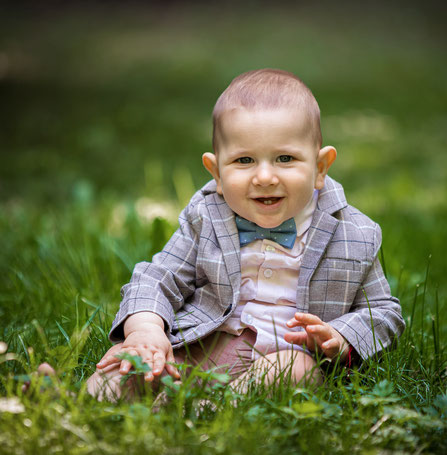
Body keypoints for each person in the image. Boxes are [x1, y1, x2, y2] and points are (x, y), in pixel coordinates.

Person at [87, 69, 405, 401]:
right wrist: (146, 330)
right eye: (244, 160)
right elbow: (158, 277)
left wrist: (340, 338)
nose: (265, 176)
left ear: (320, 167)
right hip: (202, 345)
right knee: (124, 368)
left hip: (281, 359)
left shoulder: (354, 234)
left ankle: (212, 408)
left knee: (298, 372)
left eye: (285, 158)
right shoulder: (206, 216)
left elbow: (383, 311)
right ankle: (60, 396)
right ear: (217, 173)